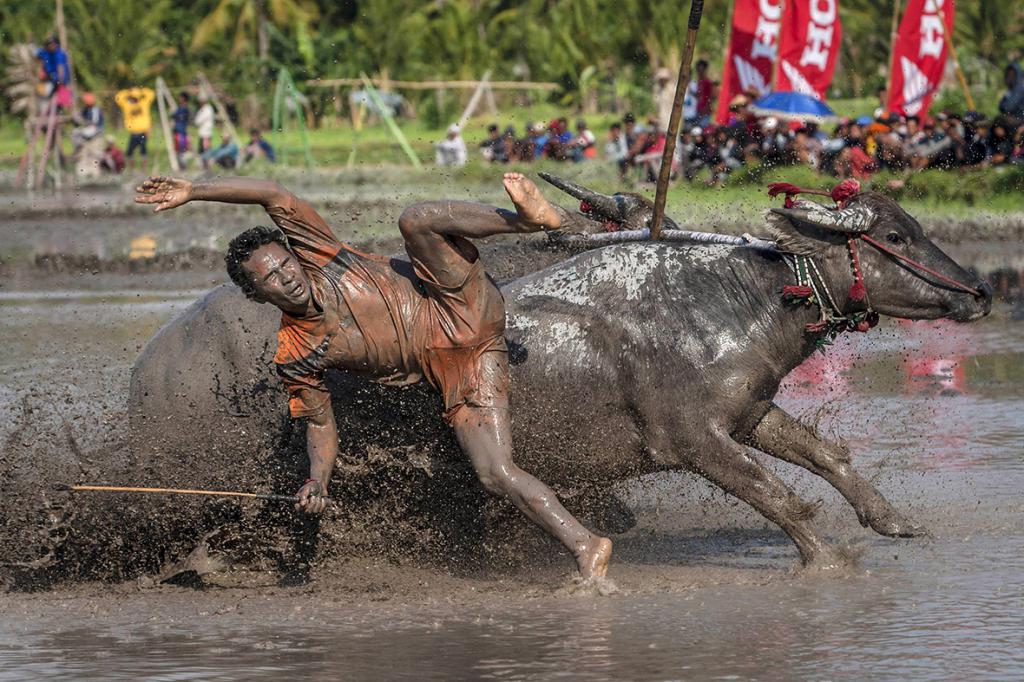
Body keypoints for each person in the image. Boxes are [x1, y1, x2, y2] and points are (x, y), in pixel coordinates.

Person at [133, 172, 613, 580]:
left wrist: (195, 189)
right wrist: (317, 480)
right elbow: (320, 426)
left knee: (415, 220)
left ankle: (527, 221)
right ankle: (586, 545)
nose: (287, 278)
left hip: (455, 298)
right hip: (463, 366)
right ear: (257, 296)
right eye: (271, 279)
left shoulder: (321, 254)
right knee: (493, 473)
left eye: (285, 264)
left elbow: (271, 193)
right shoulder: (295, 354)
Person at [114, 86, 155, 174]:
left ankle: (144, 170)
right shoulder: (127, 105)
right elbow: (118, 97)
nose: (134, 99)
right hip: (133, 132)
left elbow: (151, 94)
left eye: (136, 97)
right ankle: (131, 170)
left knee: (143, 151)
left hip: (143, 132)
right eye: (133, 97)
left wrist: (141, 90)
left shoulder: (144, 103)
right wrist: (128, 91)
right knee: (129, 153)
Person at [194, 95, 216, 170]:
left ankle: (207, 165)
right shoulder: (202, 109)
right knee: (201, 149)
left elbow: (199, 120)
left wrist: (198, 121)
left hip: (206, 133)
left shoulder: (208, 109)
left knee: (206, 149)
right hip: (202, 133)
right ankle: (203, 165)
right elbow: (197, 120)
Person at [171, 92, 191, 168]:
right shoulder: (180, 108)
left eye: (180, 97)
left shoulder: (184, 109)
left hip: (181, 131)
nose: (179, 99)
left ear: (183, 98)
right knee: (178, 149)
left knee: (181, 149)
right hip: (178, 131)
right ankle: (182, 166)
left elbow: (174, 115)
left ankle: (183, 166)